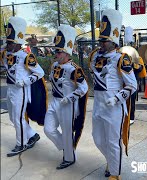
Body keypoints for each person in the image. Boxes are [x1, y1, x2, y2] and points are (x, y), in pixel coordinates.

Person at [89, 9, 137, 180]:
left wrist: (117, 98)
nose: (101, 43)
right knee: (97, 139)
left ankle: (115, 174)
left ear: (113, 41)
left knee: (112, 142)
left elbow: (133, 85)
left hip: (114, 108)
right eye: (100, 40)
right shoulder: (95, 56)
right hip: (98, 105)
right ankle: (111, 160)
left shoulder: (121, 59)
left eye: (104, 41)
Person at [0, 16, 47, 157]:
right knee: (13, 118)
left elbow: (40, 72)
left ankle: (21, 143)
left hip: (20, 90)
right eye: (7, 42)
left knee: (18, 117)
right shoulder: (6, 54)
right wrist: (4, 45)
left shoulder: (26, 56)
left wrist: (25, 81)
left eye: (10, 42)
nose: (8, 44)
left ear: (18, 43)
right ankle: (32, 135)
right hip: (10, 88)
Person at [44, 24, 88, 169]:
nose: (55, 54)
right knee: (48, 129)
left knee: (67, 131)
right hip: (55, 102)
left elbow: (84, 88)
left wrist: (70, 98)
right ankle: (66, 146)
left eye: (58, 51)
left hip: (67, 105)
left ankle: (69, 157)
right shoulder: (54, 65)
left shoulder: (74, 69)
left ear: (66, 52)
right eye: (55, 51)